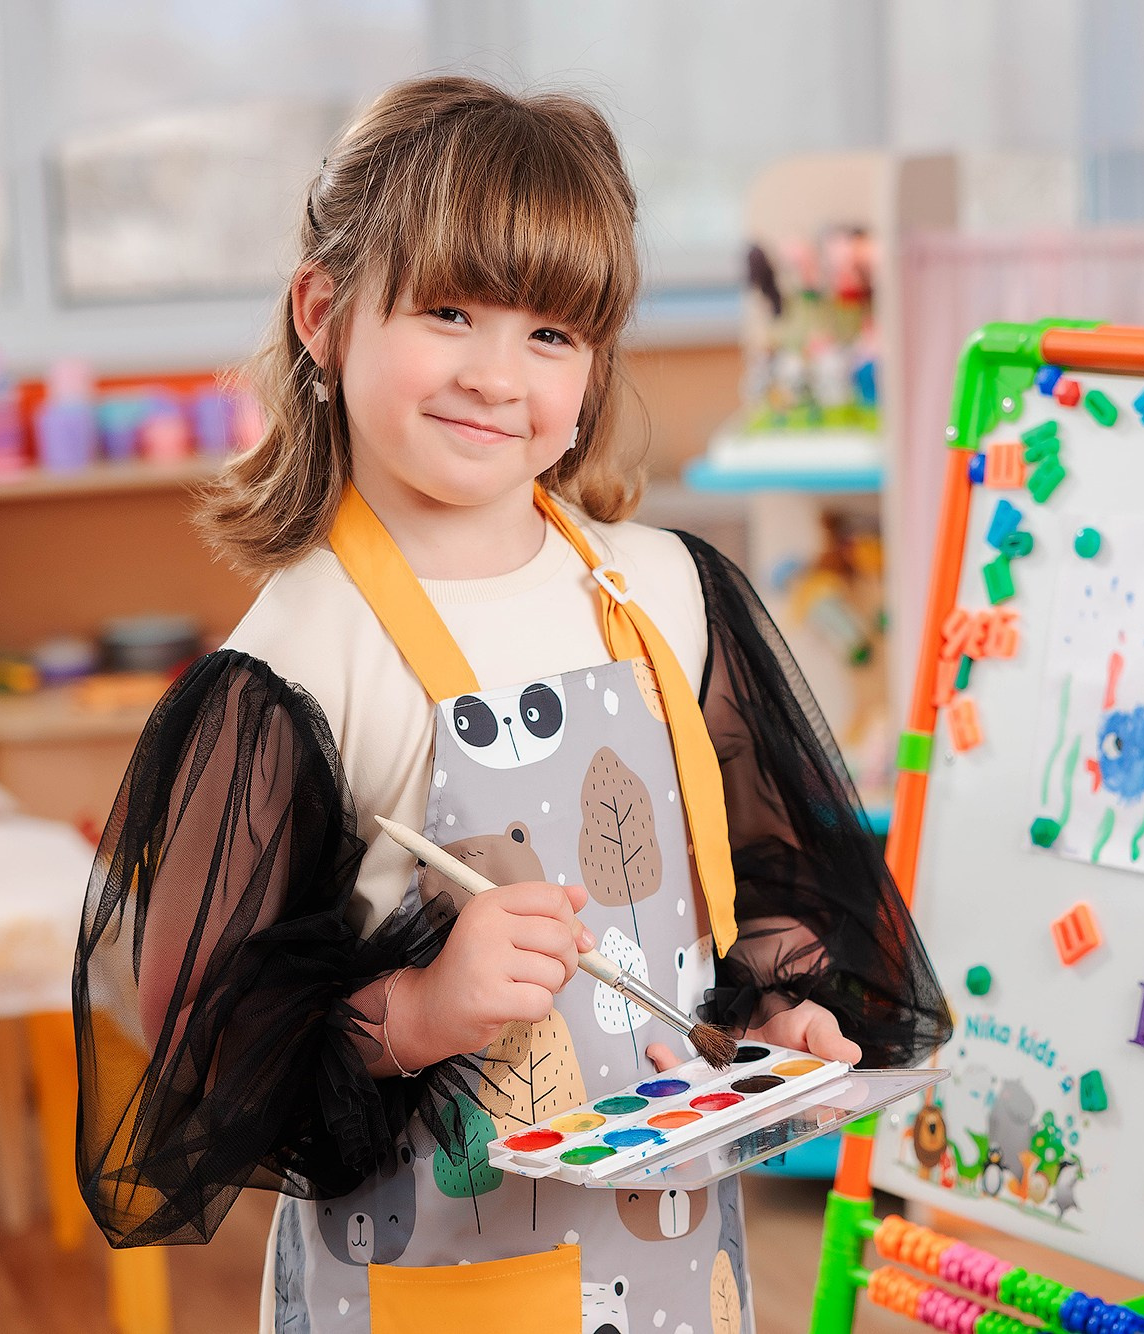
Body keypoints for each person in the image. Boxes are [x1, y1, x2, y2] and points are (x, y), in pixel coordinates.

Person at [73, 75, 949, 1334]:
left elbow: (753, 885)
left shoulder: (667, 589)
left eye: (550, 334)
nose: (498, 374)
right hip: (434, 1280)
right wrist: (421, 1011)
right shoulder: (300, 661)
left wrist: (776, 1009)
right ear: (325, 315)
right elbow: (206, 1046)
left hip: (675, 1269)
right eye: (448, 311)